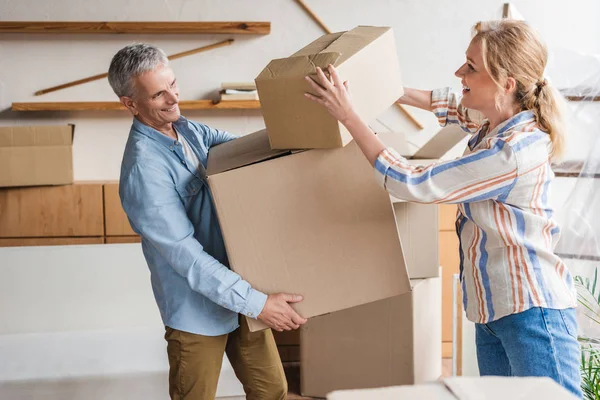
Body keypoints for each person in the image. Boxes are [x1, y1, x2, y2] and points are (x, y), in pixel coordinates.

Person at [305, 20, 582, 398]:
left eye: (471, 67)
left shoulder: (511, 152)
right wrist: (379, 86)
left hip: (532, 311)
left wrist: (349, 115)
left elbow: (414, 182)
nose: (459, 73)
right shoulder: (494, 123)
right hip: (492, 310)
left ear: (507, 84)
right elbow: (454, 106)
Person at [108, 43, 307, 400]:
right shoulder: (144, 170)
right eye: (158, 94)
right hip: (196, 309)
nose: (173, 99)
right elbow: (188, 258)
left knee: (272, 390)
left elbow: (240, 149)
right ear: (130, 104)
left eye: (173, 84)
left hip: (239, 287)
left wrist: (300, 134)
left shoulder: (187, 130)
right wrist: (259, 304)